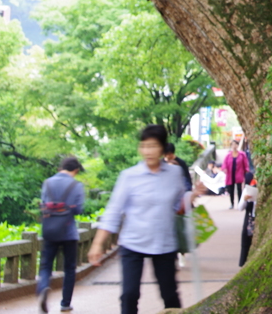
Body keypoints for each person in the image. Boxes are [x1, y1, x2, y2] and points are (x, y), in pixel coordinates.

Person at [88, 125, 205, 314]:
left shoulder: (174, 174)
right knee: (129, 294)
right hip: (133, 242)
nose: (148, 151)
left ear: (162, 148)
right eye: (144, 146)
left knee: (170, 295)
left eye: (153, 146)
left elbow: (178, 206)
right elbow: (113, 211)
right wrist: (97, 244)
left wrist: (193, 195)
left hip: (164, 243)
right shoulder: (129, 176)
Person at [36, 157, 84, 313]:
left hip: (50, 231)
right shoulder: (76, 185)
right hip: (69, 232)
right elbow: (78, 209)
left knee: (46, 265)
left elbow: (43, 204)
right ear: (75, 170)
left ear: (61, 167)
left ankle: (43, 287)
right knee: (69, 268)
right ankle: (65, 303)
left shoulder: (47, 183)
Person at [237, 173, 258, 267]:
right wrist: (245, 199)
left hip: (258, 217)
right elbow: (240, 207)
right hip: (249, 218)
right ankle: (243, 263)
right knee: (246, 242)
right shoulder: (247, 189)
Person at [220, 140, 248, 209]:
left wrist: (246, 171)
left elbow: (245, 163)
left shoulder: (242, 154)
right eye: (232, 144)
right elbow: (224, 164)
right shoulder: (228, 155)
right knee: (231, 190)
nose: (234, 146)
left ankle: (240, 203)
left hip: (239, 174)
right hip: (230, 174)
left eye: (235, 144)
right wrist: (224, 169)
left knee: (239, 189)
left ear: (237, 145)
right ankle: (232, 203)